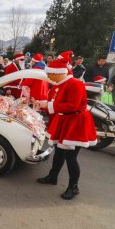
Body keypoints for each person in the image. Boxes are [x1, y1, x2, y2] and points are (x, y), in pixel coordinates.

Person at [36, 55, 96, 200]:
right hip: (64, 121)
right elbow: (55, 104)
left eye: (50, 73)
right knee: (58, 152)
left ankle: (73, 187)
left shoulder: (75, 84)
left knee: (70, 157)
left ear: (59, 73)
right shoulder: (59, 84)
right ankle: (53, 176)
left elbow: (72, 105)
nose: (48, 76)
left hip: (75, 123)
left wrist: (48, 105)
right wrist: (41, 103)